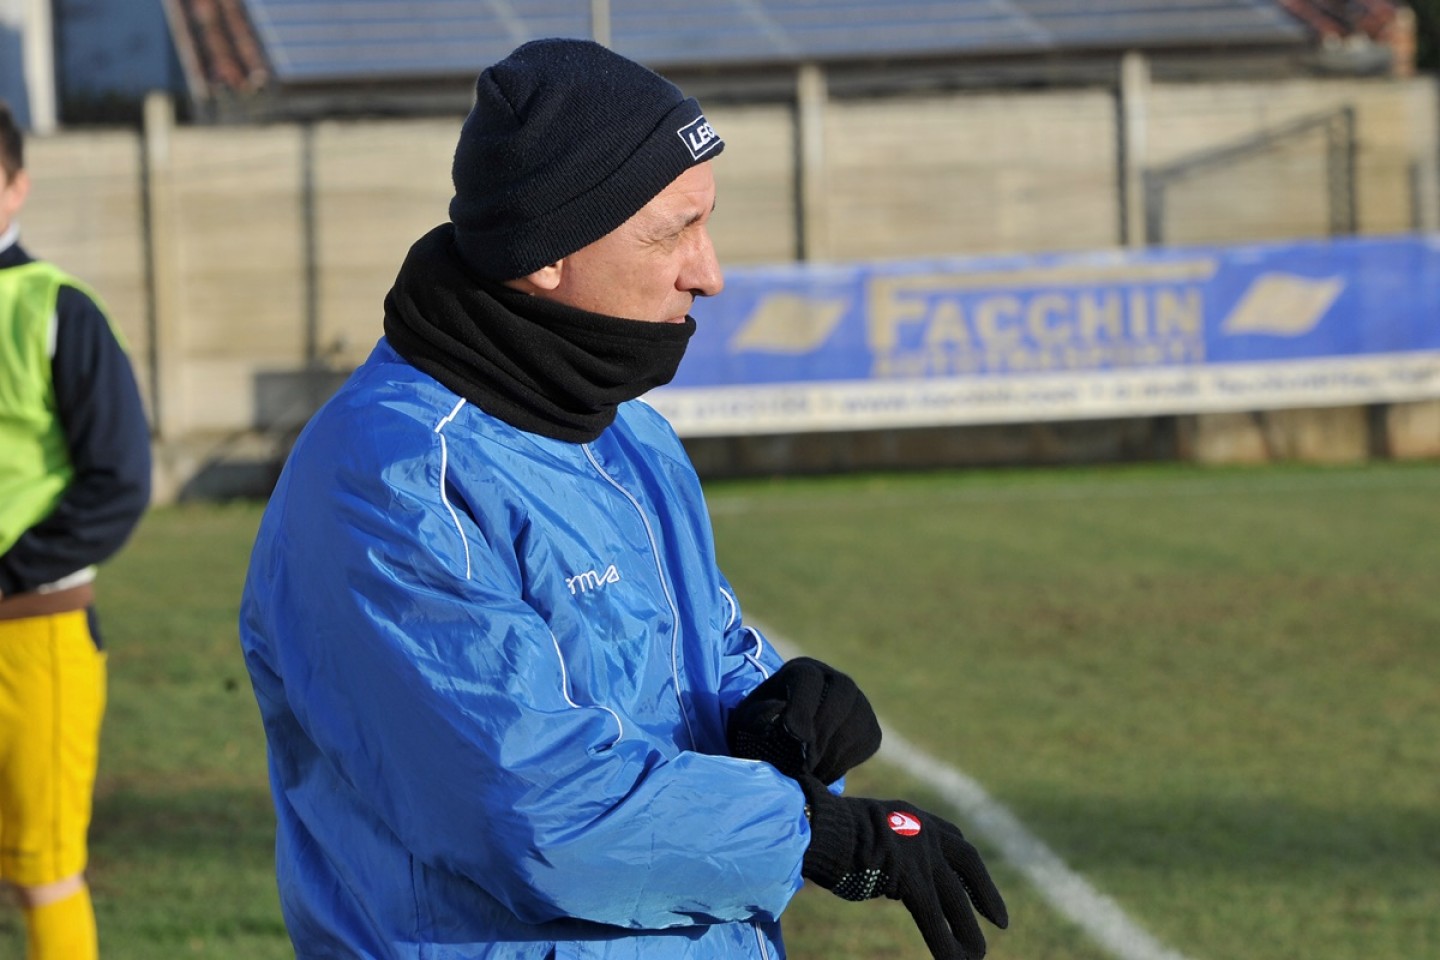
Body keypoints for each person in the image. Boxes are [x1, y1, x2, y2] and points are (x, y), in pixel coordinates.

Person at [239, 39, 1008, 960]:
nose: (709, 271)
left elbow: (699, 654)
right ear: (546, 254)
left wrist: (771, 704)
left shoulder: (623, 431)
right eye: (670, 232)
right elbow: (537, 813)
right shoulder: (393, 478)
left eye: (707, 224)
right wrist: (817, 833)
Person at [0, 99, 152, 960]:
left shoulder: (56, 310)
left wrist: (12, 570)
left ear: (16, 187)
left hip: (32, 635)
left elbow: (119, 480)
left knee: (42, 870)